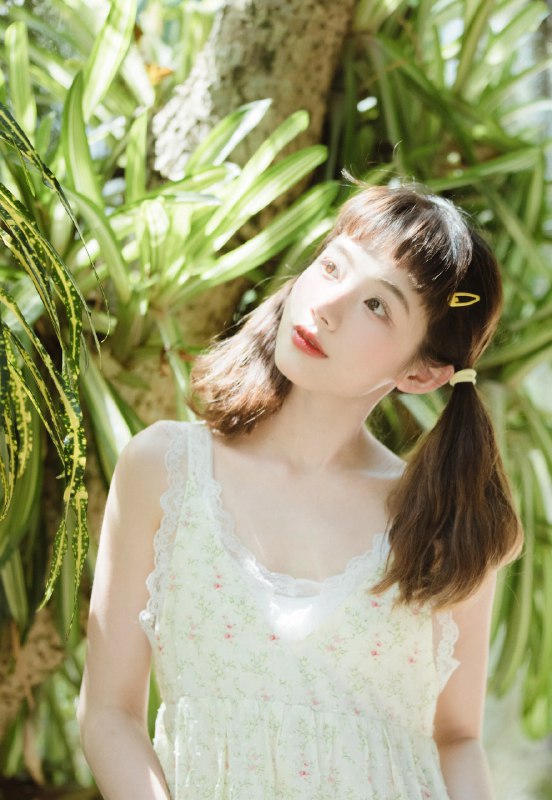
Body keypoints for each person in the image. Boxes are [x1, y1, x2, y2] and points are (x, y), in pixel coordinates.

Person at [77, 182, 523, 800]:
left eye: (378, 305)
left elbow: (458, 739)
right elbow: (108, 715)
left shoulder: (440, 525)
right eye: (333, 266)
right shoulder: (166, 470)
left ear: (421, 373)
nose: (328, 305)